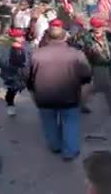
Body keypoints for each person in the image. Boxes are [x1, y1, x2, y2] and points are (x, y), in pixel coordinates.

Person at [28, 24, 92, 161]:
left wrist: (33, 95)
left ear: (48, 38)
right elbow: (86, 78)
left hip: (44, 96)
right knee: (70, 122)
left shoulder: (35, 54)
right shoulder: (76, 54)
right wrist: (83, 97)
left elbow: (28, 78)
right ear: (64, 37)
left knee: (48, 122)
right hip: (70, 96)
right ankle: (70, 151)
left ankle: (55, 146)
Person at [79, 16, 111, 117]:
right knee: (105, 87)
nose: (97, 29)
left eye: (100, 26)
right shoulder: (86, 37)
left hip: (109, 64)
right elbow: (78, 47)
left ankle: (80, 102)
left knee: (98, 87)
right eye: (95, 26)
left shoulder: (109, 36)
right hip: (97, 64)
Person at [0, 28, 31, 116]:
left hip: (26, 74)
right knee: (11, 91)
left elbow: (31, 57)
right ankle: (10, 105)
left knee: (34, 90)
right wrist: (11, 65)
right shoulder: (4, 48)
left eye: (23, 36)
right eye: (20, 36)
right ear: (13, 38)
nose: (22, 38)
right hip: (12, 75)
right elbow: (0, 62)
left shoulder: (27, 46)